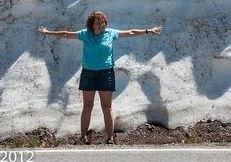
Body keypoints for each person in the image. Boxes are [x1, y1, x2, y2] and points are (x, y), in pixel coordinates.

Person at [37, 11, 163, 145]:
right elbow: (66, 34)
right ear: (91, 24)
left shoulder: (110, 33)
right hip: (88, 74)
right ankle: (83, 136)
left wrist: (148, 31)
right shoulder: (85, 34)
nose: (100, 23)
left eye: (102, 21)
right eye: (97, 21)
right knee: (87, 106)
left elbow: (130, 32)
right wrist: (47, 32)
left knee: (107, 107)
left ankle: (110, 137)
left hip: (106, 73)